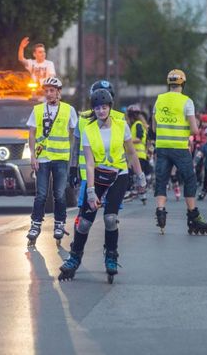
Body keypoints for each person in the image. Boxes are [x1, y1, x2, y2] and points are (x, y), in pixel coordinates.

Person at [58, 89, 146, 283]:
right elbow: (89, 163)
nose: (101, 111)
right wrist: (90, 191)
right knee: (84, 222)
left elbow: (131, 153)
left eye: (104, 107)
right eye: (97, 108)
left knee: (110, 218)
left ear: (110, 107)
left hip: (118, 175)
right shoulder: (88, 130)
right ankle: (74, 257)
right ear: (94, 109)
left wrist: (140, 176)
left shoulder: (122, 126)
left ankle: (111, 255)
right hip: (98, 176)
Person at [152, 69, 207, 235]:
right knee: (190, 179)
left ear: (168, 83)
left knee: (161, 179)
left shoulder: (159, 100)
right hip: (179, 147)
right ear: (183, 83)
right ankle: (193, 215)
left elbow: (154, 128)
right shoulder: (187, 101)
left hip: (162, 146)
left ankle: (160, 211)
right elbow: (194, 129)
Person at [26, 77, 77, 247]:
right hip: (42, 158)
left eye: (52, 90)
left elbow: (74, 134)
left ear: (58, 92)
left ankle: (59, 224)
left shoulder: (69, 110)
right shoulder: (38, 109)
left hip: (61, 158)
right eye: (46, 91)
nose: (48, 94)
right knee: (41, 194)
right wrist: (32, 156)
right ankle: (35, 225)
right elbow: (32, 133)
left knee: (60, 194)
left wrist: (74, 158)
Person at [69, 80, 124, 208]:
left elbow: (126, 148)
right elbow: (76, 147)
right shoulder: (83, 119)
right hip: (88, 176)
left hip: (113, 174)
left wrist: (128, 172)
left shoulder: (119, 118)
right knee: (85, 211)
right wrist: (73, 169)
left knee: (111, 213)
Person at [125, 105, 150, 203]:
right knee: (137, 175)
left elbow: (139, 138)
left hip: (137, 155)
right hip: (138, 155)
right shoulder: (137, 125)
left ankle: (130, 192)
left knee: (130, 173)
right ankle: (142, 195)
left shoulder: (137, 124)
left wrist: (126, 140)